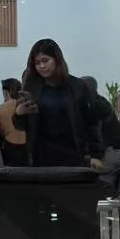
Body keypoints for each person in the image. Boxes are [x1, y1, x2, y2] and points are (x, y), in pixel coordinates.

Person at [13, 39, 104, 168]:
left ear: (57, 59)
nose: (41, 66)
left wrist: (96, 155)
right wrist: (19, 114)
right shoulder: (31, 88)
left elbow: (91, 123)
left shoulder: (77, 86)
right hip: (41, 157)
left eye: (45, 60)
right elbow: (20, 126)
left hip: (74, 155)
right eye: (37, 63)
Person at [80, 75, 120, 170]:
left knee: (93, 171)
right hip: (112, 149)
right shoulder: (99, 101)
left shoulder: (97, 107)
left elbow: (98, 140)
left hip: (119, 152)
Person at [0, 77, 29, 166]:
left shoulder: (0, 109)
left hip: (10, 150)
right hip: (28, 150)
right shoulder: (28, 106)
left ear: (6, 92)